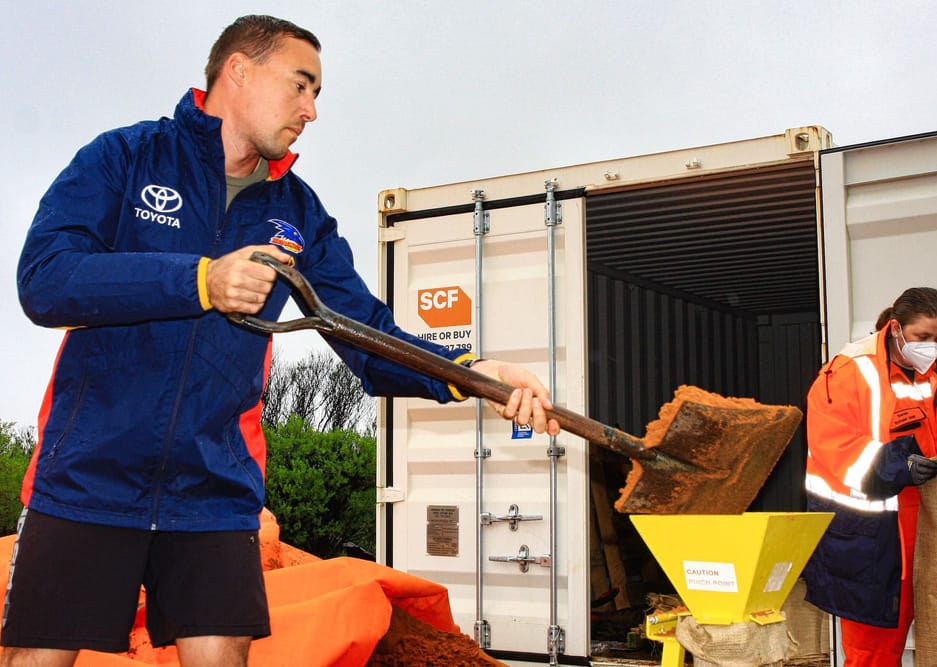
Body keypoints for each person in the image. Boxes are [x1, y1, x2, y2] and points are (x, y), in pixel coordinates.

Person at [1, 15, 559, 667]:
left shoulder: (298, 212)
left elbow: (366, 334)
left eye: (316, 94)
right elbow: (46, 279)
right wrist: (200, 280)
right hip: (86, 476)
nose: (311, 111)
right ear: (239, 70)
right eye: (300, 85)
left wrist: (475, 373)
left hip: (213, 493)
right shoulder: (124, 158)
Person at [802, 286, 937, 666]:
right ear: (895, 328)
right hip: (873, 542)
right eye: (922, 336)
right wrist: (897, 466)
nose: (931, 347)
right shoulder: (848, 372)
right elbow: (834, 447)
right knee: (873, 655)